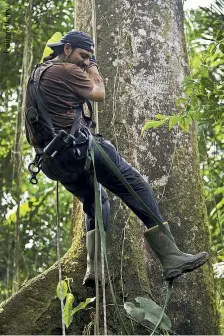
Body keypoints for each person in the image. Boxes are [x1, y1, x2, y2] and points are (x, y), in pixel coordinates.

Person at [25, 30, 209, 287]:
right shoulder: (68, 71)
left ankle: (95, 269)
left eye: (88, 57)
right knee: (136, 185)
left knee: (97, 200)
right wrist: (94, 67)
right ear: (66, 49)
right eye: (82, 55)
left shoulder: (37, 74)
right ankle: (171, 256)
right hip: (79, 149)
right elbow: (99, 93)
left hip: (52, 161)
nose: (84, 61)